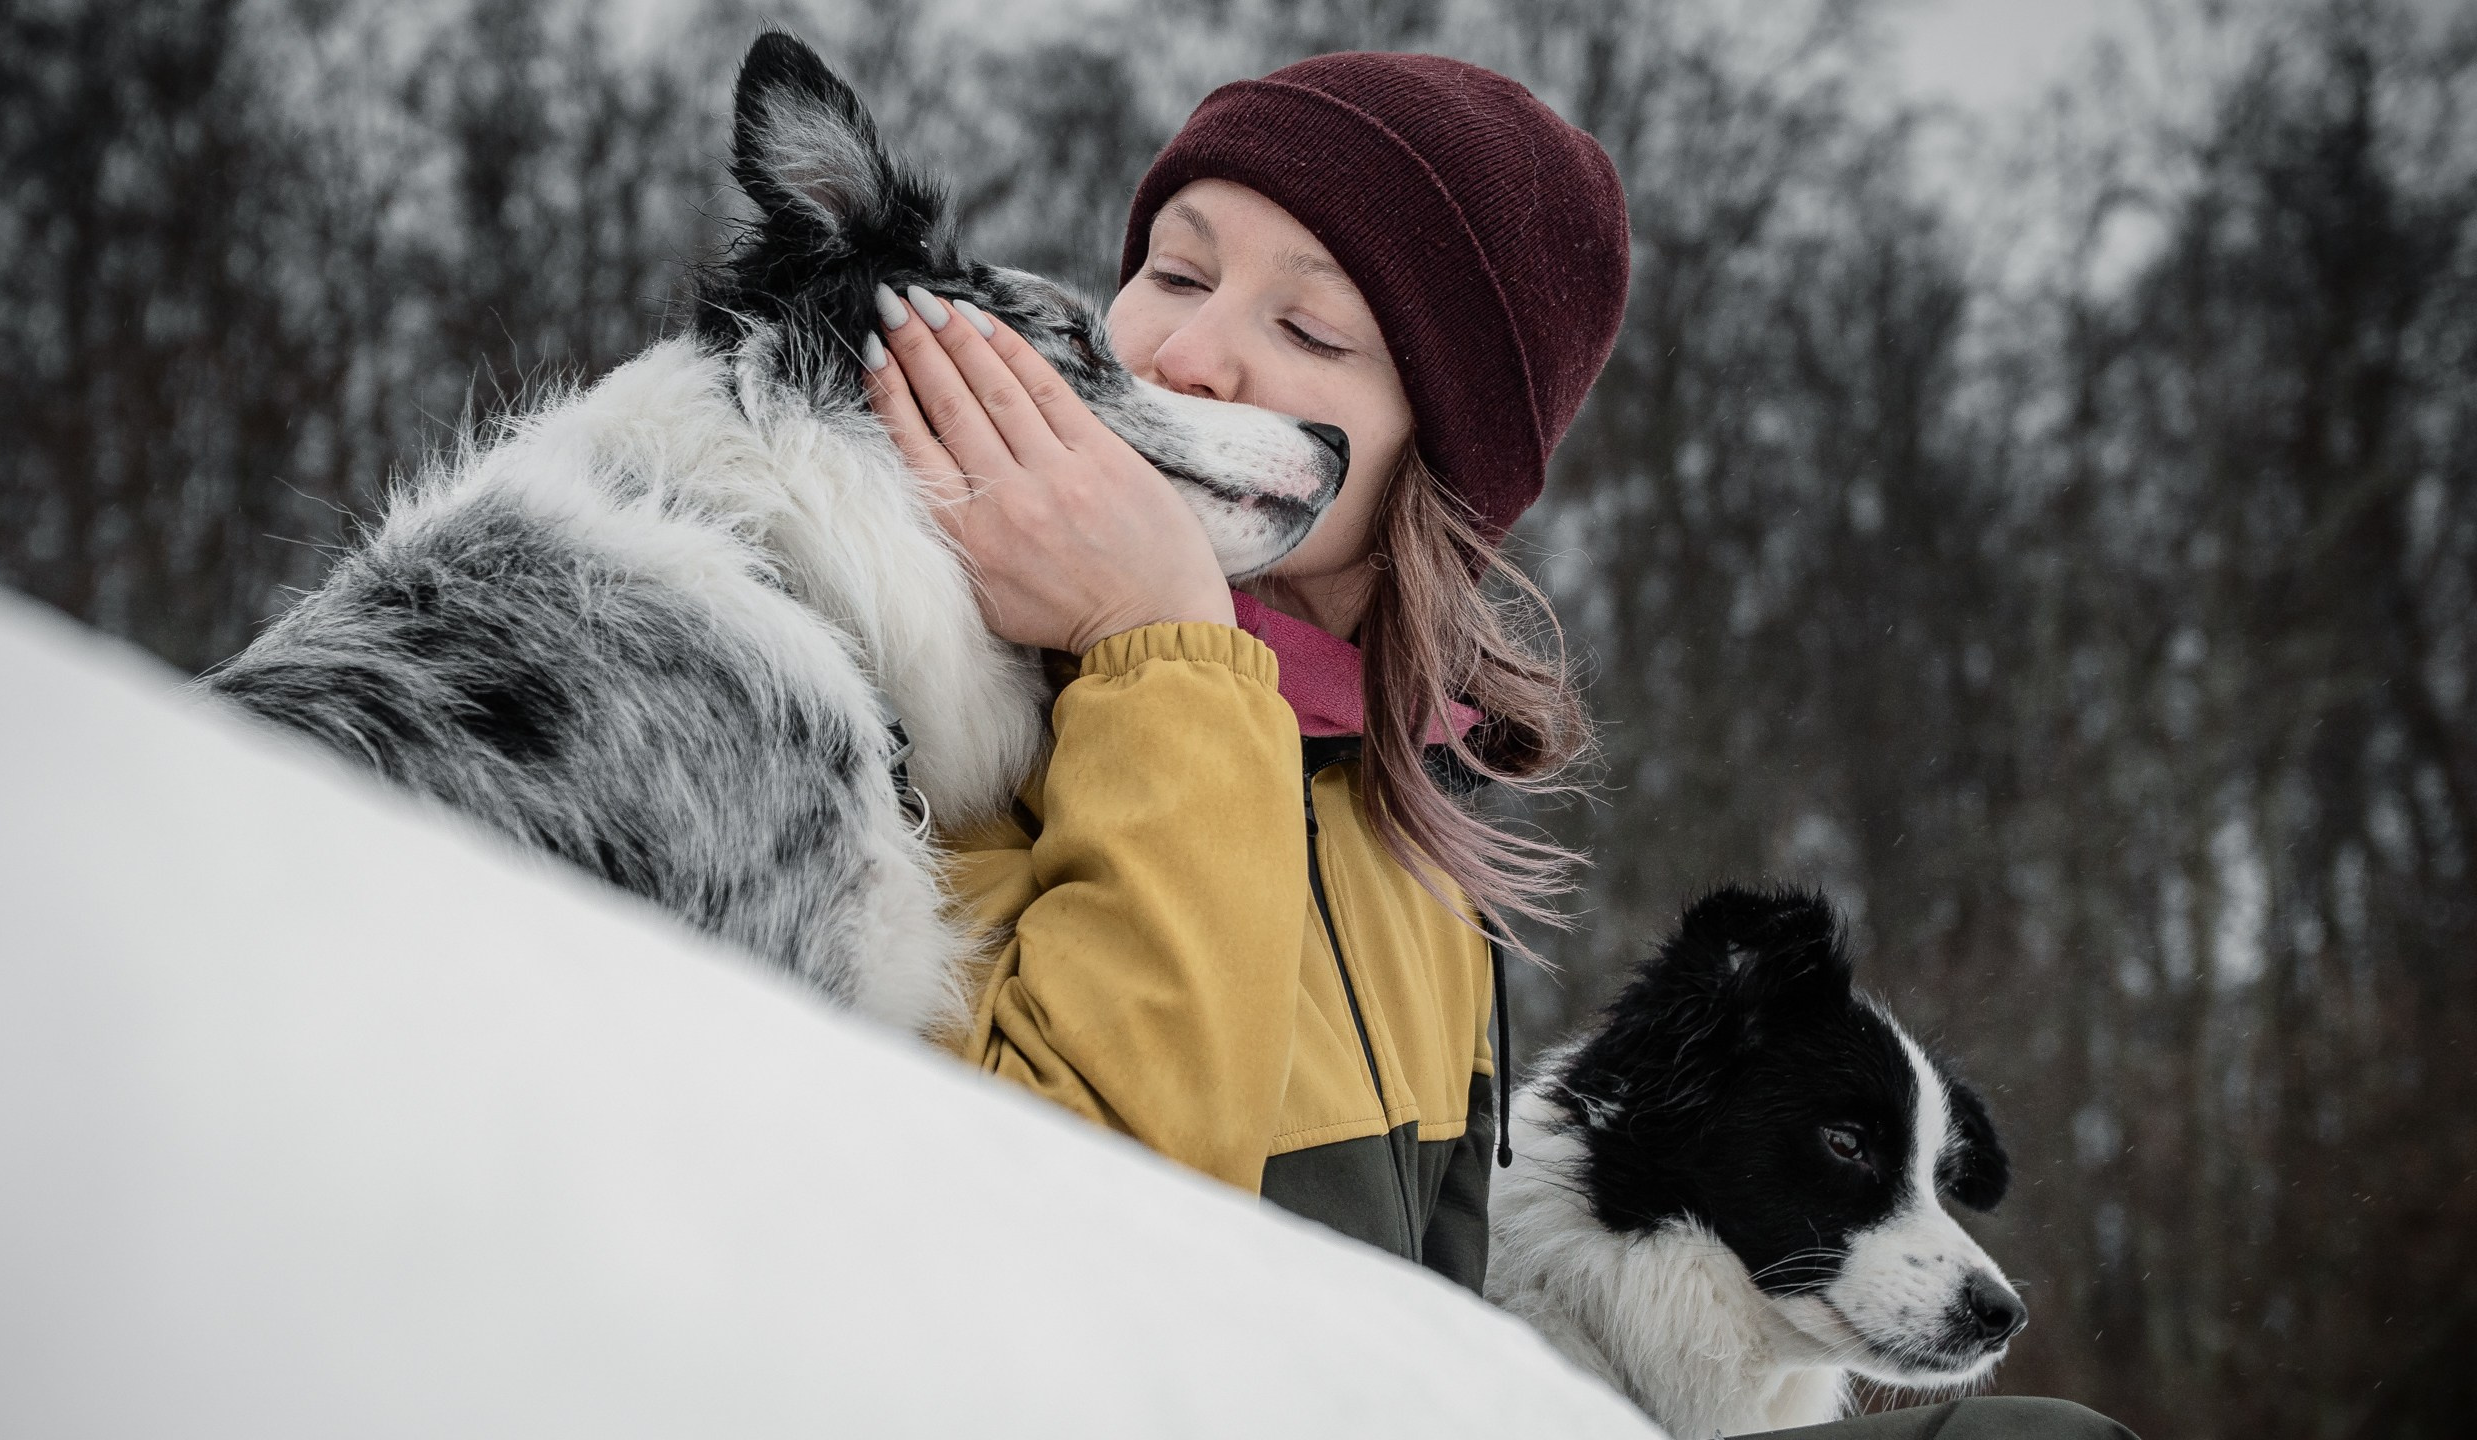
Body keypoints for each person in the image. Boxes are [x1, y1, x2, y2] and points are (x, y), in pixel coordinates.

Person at [864, 50, 2139, 1440]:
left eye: (1311, 330)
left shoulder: (1410, 834)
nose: (1181, 353)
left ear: (1435, 454)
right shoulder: (929, 693)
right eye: (1174, 273)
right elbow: (1036, 1257)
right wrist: (1154, 644)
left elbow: (1437, 1326)